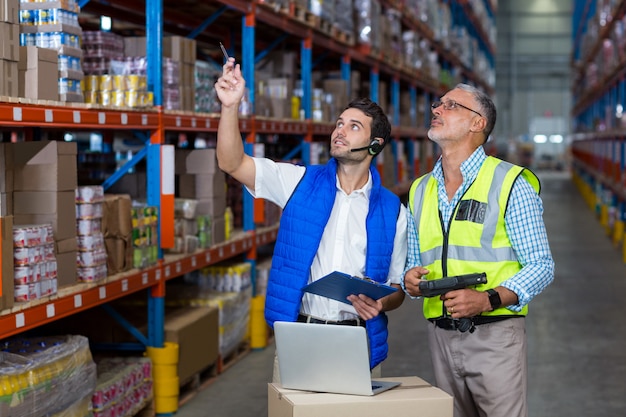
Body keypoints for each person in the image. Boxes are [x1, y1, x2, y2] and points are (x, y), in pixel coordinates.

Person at [214, 57, 407, 380]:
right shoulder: (298, 182)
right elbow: (232, 163)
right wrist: (230, 107)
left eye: (353, 127)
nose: (340, 132)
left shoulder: (393, 211)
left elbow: (398, 289)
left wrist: (382, 303)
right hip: (299, 336)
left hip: (359, 342)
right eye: (339, 124)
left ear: (376, 145)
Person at [402, 83, 555, 417]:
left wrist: (488, 299)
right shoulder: (419, 190)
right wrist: (409, 280)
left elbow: (541, 265)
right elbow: (413, 263)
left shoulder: (509, 182)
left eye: (451, 105)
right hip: (440, 335)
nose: (437, 110)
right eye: (437, 104)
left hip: (494, 335)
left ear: (477, 123)